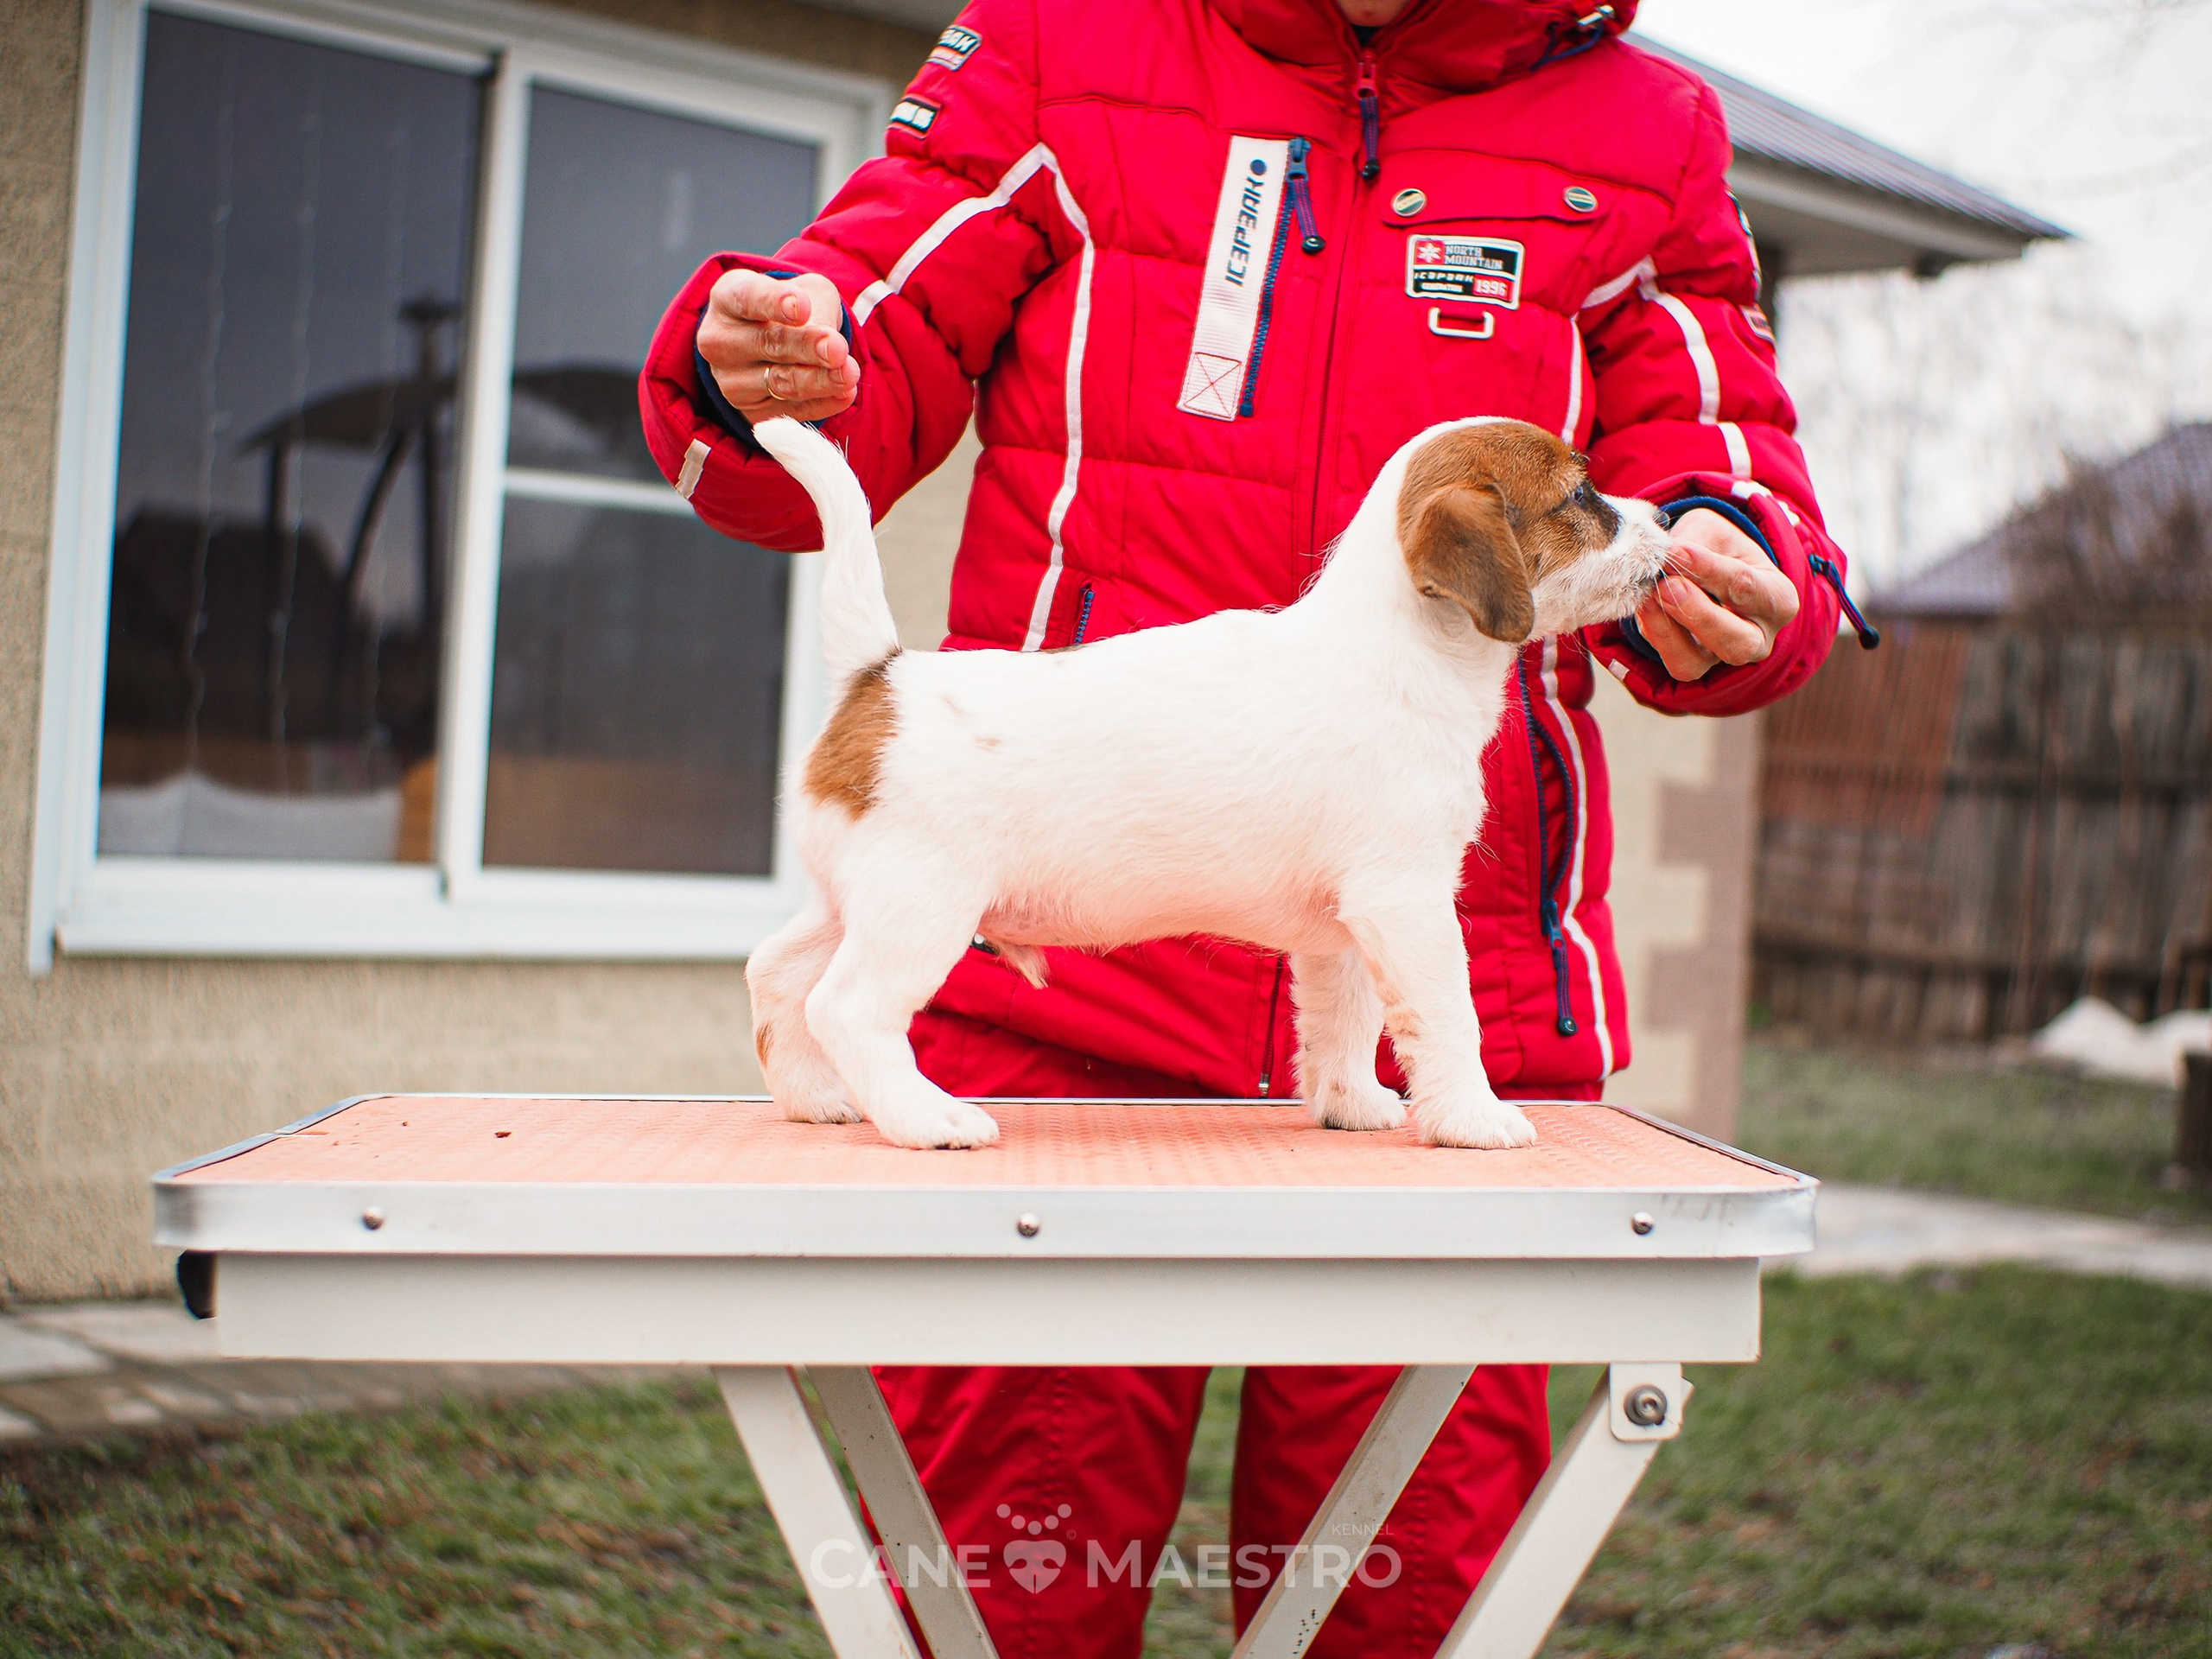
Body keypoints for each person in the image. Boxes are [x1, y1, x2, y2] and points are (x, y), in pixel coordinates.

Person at [640, 1, 1853, 1652]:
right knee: (1006, 1611)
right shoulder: (1057, 40)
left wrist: (1732, 567)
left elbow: (1719, 456)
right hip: (1063, 1016)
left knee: (1403, 1616)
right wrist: (767, 367)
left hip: (1460, 1037)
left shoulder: (1652, 134)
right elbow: (864, 328)